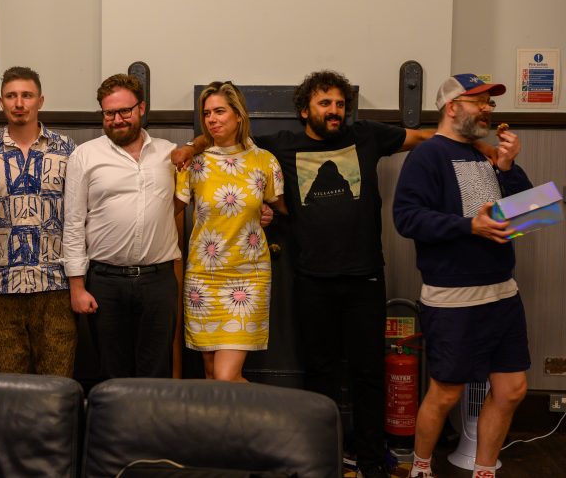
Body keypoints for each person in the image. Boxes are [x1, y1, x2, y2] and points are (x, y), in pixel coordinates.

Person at [172, 70, 439, 478]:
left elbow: (417, 138)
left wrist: (473, 144)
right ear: (305, 110)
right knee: (310, 373)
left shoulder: (361, 137)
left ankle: (366, 460)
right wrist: (194, 144)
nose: (334, 111)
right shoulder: (277, 146)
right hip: (288, 278)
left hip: (355, 275)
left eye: (339, 104)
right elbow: (219, 150)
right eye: (324, 103)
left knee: (367, 373)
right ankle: (318, 457)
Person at [394, 74, 531, 478]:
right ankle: (420, 468)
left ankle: (484, 471)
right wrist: (468, 227)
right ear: (452, 107)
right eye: (480, 102)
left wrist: (507, 168)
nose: (489, 109)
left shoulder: (487, 155)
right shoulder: (426, 157)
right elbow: (406, 218)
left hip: (503, 291)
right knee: (447, 391)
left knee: (512, 390)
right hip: (454, 296)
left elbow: (521, 213)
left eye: (490, 103)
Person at [63, 73, 181, 379]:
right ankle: (113, 429)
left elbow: (212, 189)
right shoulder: (85, 156)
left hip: (159, 281)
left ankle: (150, 428)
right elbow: (73, 223)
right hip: (105, 282)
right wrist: (77, 287)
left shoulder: (169, 153)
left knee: (156, 372)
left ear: (142, 108)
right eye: (109, 113)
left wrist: (260, 209)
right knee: (112, 375)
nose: (117, 119)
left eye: (125, 111)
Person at [174, 81, 287, 382]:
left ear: (238, 115)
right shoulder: (195, 162)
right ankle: (228, 431)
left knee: (225, 377)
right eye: (207, 113)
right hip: (203, 277)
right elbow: (172, 209)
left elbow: (285, 210)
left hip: (248, 276)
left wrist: (270, 215)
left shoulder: (265, 161)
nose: (212, 118)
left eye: (220, 111)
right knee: (212, 377)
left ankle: (277, 414)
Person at [0, 67, 77, 376]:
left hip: (55, 286)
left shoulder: (67, 150)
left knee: (57, 385)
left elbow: (78, 218)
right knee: (8, 389)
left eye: (27, 95)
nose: (19, 103)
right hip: (2, 289)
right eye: (11, 96)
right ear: (1, 102)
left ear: (40, 100)